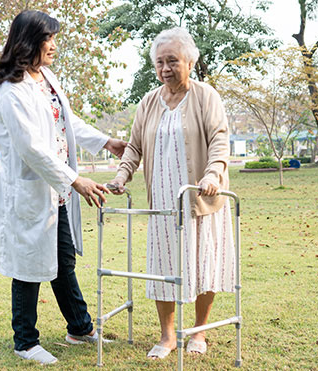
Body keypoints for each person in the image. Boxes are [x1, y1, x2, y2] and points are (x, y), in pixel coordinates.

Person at [0, 10, 127, 366]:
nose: (54, 45)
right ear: (29, 42)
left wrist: (105, 140)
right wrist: (74, 179)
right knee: (29, 266)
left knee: (63, 259)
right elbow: (31, 148)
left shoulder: (44, 78)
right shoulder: (10, 90)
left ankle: (79, 328)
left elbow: (67, 121)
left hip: (55, 189)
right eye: (48, 38)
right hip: (31, 189)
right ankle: (25, 341)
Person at [110, 27, 235, 360]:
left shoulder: (206, 96)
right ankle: (167, 336)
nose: (165, 68)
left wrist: (213, 174)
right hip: (163, 203)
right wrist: (121, 177)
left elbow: (220, 139)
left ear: (190, 63)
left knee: (203, 265)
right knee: (161, 267)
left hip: (199, 197)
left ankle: (199, 330)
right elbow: (134, 146)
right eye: (160, 62)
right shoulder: (149, 101)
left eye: (173, 61)